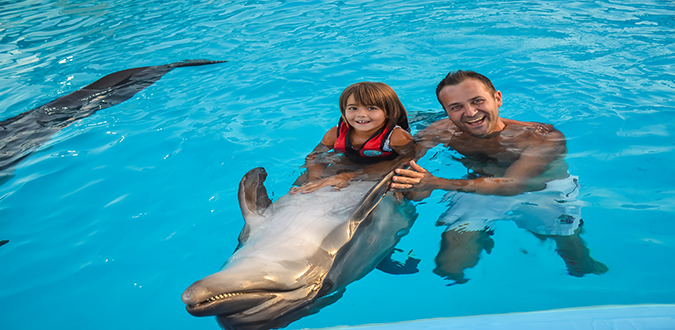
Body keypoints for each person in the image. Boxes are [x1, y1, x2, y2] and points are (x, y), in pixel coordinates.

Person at [390, 70, 607, 283]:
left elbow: (512, 185)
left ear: (497, 98)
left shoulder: (542, 137)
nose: (471, 113)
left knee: (573, 254)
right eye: (456, 107)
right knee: (449, 265)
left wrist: (435, 183)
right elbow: (405, 154)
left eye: (477, 101)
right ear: (446, 111)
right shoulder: (444, 130)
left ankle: (585, 264)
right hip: (478, 188)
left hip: (545, 192)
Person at [290, 82, 415, 194]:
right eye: (353, 108)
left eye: (371, 108)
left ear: (387, 112)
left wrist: (350, 176)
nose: (361, 114)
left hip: (382, 163)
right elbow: (315, 155)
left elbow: (404, 161)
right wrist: (314, 179)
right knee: (302, 179)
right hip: (351, 159)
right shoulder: (335, 133)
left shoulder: (397, 137)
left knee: (413, 192)